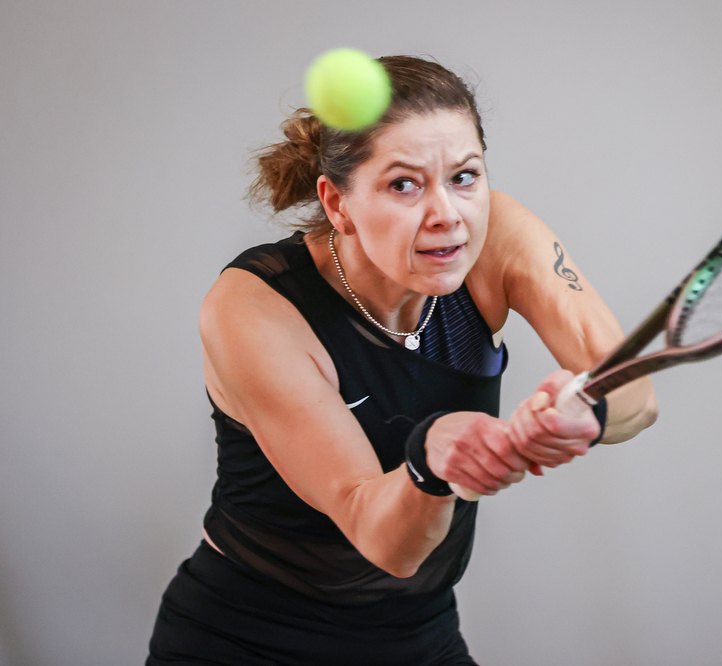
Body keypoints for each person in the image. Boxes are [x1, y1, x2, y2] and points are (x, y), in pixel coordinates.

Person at [147, 55, 657, 665]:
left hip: (418, 635)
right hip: (250, 639)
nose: (447, 213)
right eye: (404, 184)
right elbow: (383, 539)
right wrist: (430, 458)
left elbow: (634, 395)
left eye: (465, 177)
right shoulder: (256, 308)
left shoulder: (499, 240)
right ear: (338, 204)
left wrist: (589, 417)